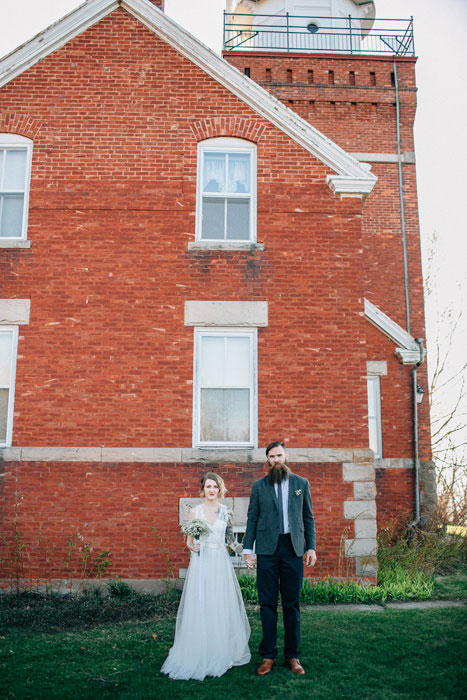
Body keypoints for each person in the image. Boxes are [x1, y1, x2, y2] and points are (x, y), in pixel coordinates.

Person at [161, 472, 251, 680]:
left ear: (220, 490)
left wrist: (247, 554)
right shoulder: (195, 512)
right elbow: (189, 542)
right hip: (201, 563)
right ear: (203, 489)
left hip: (220, 562)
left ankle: (219, 648)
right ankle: (199, 648)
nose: (212, 490)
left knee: (219, 604)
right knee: (202, 603)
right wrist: (193, 547)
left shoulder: (225, 512)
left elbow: (231, 541)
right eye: (208, 486)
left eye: (215, 487)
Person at [242, 441, 316, 676]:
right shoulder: (259, 486)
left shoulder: (301, 484)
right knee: (267, 604)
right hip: (267, 550)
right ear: (267, 460)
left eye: (279, 455)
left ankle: (293, 656)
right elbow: (252, 518)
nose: (276, 460)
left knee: (292, 605)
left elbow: (308, 518)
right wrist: (247, 549)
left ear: (286, 456)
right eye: (272, 456)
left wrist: (311, 547)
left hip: (293, 549)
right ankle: (268, 656)